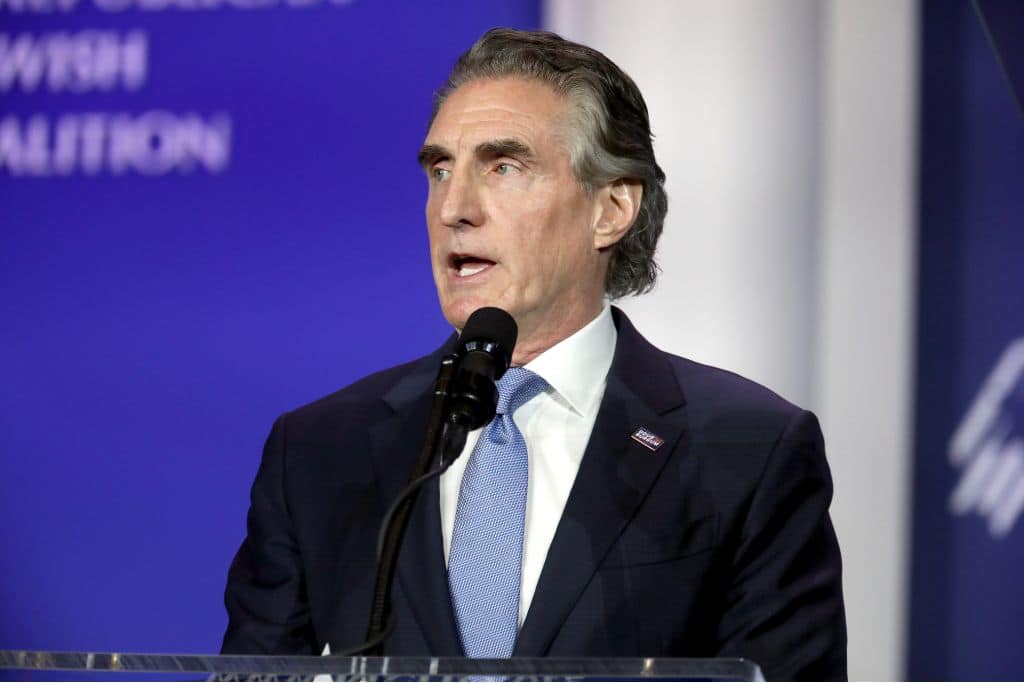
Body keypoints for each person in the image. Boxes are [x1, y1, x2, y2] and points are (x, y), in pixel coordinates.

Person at [222, 28, 847, 680]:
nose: (454, 209)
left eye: (503, 167)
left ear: (611, 208)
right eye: (440, 170)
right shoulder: (323, 452)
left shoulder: (745, 451)